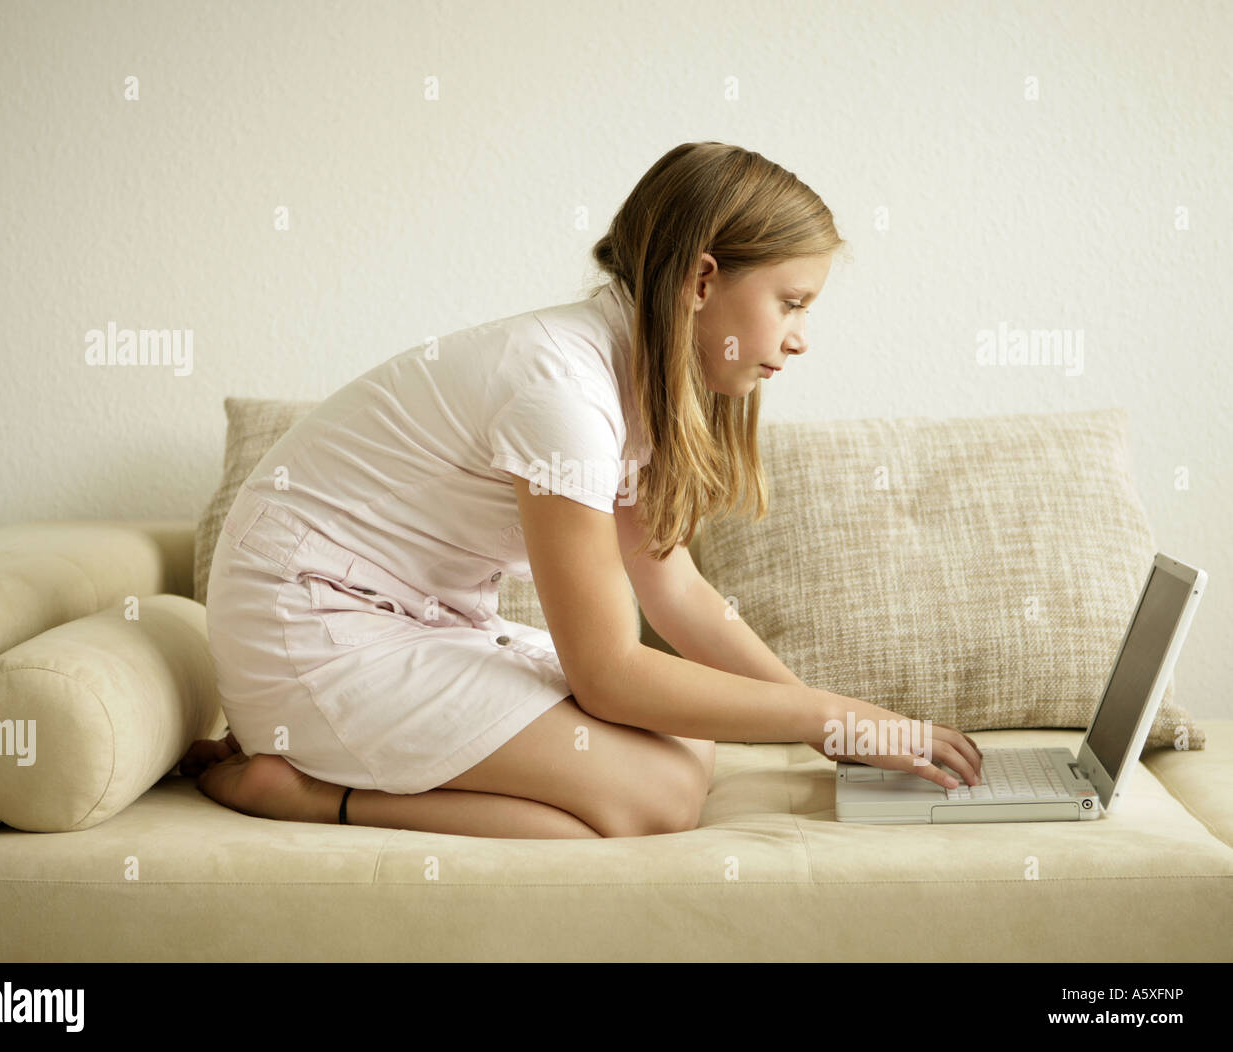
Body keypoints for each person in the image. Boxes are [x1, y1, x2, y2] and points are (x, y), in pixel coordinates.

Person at [180, 141, 983, 839]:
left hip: (414, 621)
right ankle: (309, 794)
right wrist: (828, 718)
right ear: (703, 280)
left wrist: (836, 726)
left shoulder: (630, 376)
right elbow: (607, 673)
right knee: (658, 794)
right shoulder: (560, 390)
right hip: (312, 627)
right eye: (793, 303)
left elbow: (676, 595)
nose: (801, 339)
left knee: (688, 746)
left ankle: (333, 774)